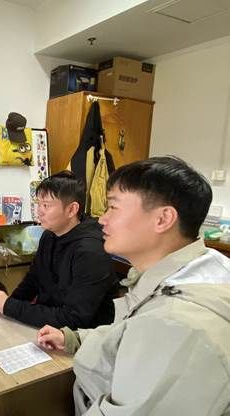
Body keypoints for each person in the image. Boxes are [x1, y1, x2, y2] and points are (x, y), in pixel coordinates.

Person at [37, 156, 230, 415]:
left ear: (163, 219)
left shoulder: (176, 325)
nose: (102, 219)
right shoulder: (195, 267)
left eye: (113, 207)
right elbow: (127, 331)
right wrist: (75, 338)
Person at [0, 171, 118, 329]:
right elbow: (33, 280)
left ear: (72, 210)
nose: (39, 211)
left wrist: (10, 307)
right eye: (38, 204)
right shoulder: (49, 235)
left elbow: (74, 318)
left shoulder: (91, 251)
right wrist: (7, 306)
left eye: (46, 205)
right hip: (49, 326)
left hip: (79, 336)